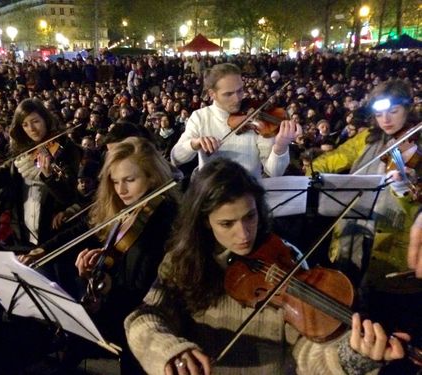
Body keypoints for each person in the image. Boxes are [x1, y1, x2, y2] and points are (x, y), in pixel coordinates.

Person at [125, 158, 408, 375]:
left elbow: (307, 355)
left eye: (250, 216)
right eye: (227, 224)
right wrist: (170, 351)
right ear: (203, 221)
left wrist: (352, 356)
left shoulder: (286, 257)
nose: (244, 234)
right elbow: (143, 319)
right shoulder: (183, 262)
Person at [20, 137, 180, 373]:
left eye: (130, 180)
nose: (121, 190)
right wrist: (45, 249)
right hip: (113, 307)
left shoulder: (163, 218)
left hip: (140, 321)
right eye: (115, 182)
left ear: (152, 176)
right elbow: (86, 228)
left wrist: (106, 283)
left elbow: (144, 286)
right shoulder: (124, 207)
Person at [307, 79, 421, 342]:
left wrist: (410, 179)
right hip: (356, 236)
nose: (386, 120)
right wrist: (314, 167)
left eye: (393, 111)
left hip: (398, 248)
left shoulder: (416, 143)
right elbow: (327, 161)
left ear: (408, 108)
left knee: (395, 326)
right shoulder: (367, 139)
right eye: (379, 113)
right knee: (358, 317)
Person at [0, 98, 81, 246]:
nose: (31, 128)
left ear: (45, 119)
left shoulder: (66, 149)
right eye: (25, 125)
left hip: (52, 232)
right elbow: (1, 176)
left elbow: (69, 196)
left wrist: (50, 177)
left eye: (35, 121)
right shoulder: (23, 153)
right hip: (23, 233)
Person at [170, 63, 300, 179]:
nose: (237, 98)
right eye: (228, 94)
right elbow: (176, 158)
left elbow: (274, 172)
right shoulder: (200, 117)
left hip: (248, 194)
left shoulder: (257, 121)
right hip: (212, 195)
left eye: (240, 90)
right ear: (212, 94)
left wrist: (280, 146)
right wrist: (194, 143)